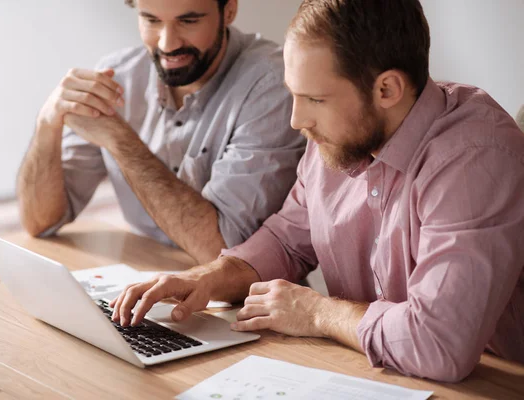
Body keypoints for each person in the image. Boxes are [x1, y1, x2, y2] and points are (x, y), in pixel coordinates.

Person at [110, 0, 524, 383]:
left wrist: (317, 312)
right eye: (294, 94)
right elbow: (287, 241)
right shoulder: (338, 135)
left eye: (314, 99)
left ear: (386, 90)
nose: (296, 120)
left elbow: (438, 344)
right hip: (375, 375)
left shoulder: (475, 158)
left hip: (489, 383)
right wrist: (208, 279)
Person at [16, 0, 306, 264]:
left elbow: (221, 251)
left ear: (229, 10)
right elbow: (41, 222)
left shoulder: (272, 85)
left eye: (188, 21)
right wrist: (48, 123)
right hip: (146, 281)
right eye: (151, 20)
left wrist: (120, 140)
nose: (167, 44)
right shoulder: (118, 75)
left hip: (243, 303)